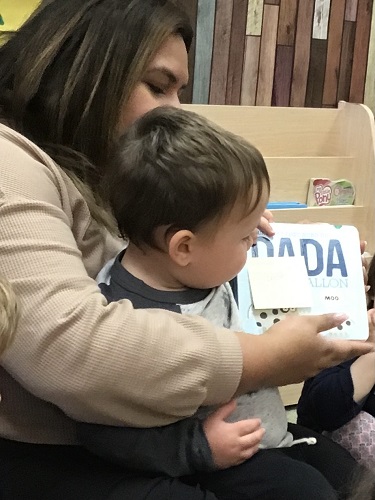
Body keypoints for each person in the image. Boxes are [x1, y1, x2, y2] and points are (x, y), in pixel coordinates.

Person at [0, 1, 372, 498]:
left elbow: (195, 287)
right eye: (157, 86)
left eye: (179, 90)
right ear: (86, 74)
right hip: (73, 448)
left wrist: (253, 240)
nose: (175, 109)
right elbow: (75, 351)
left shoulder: (106, 171)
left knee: (334, 470)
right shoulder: (12, 163)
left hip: (178, 426)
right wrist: (263, 359)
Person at [75, 105, 369, 499]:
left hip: (273, 433)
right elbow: (103, 431)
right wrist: (198, 448)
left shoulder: (201, 265)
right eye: (245, 235)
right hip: (215, 461)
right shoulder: (126, 319)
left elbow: (271, 285)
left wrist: (332, 257)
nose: (254, 241)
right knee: (309, 491)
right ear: (183, 247)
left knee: (351, 474)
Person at [298, 255, 375, 467]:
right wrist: (371, 353)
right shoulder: (349, 333)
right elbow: (325, 408)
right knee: (358, 426)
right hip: (329, 447)